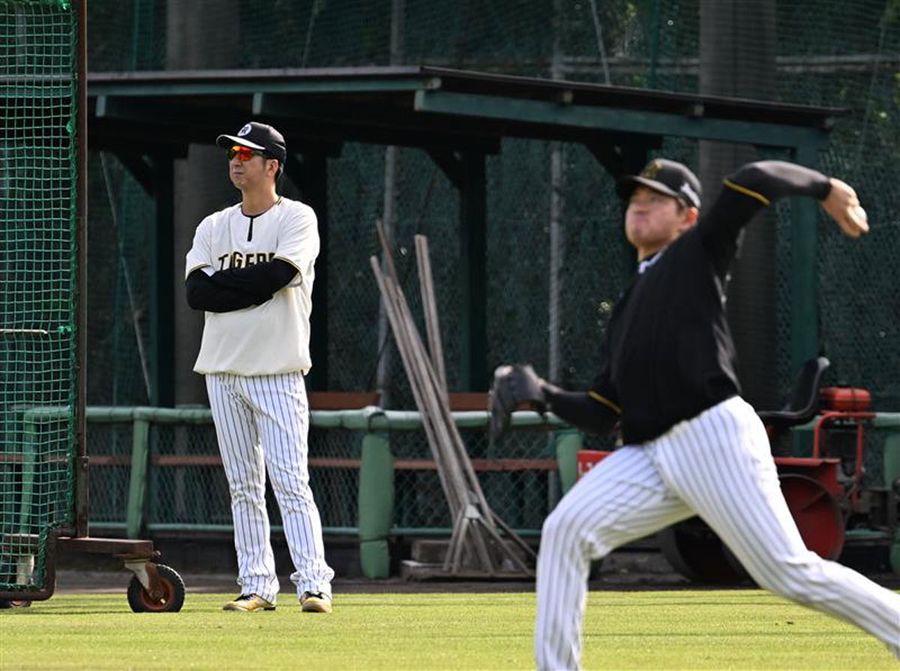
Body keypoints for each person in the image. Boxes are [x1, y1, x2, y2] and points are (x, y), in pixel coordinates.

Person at [489, 158, 899, 668]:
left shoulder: (698, 253)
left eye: (657, 198)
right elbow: (602, 410)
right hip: (650, 455)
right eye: (635, 197)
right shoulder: (628, 305)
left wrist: (827, 188)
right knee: (565, 529)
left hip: (713, 435)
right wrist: (541, 391)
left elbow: (754, 179)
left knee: (790, 575)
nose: (640, 203)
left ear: (688, 216)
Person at [184, 121, 334, 613]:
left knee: (291, 480)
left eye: (247, 154)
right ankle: (257, 585)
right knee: (243, 484)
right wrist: (250, 288)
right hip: (223, 371)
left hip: (277, 369)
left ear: (272, 165)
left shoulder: (298, 219)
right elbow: (195, 294)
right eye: (233, 151)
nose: (236, 159)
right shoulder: (212, 225)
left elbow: (280, 275)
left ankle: (314, 584)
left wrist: (231, 286)